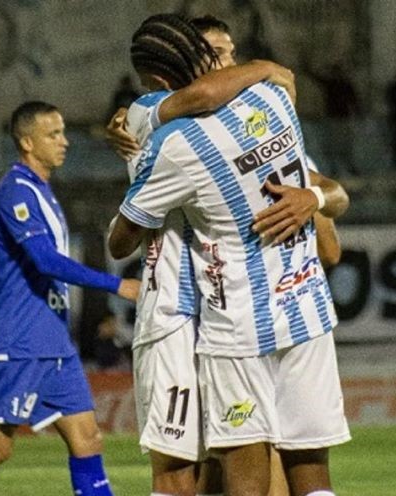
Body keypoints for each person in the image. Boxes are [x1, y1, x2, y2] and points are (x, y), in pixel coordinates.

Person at [110, 14, 350, 496]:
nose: (226, 65)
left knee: (244, 468)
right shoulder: (271, 96)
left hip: (234, 322)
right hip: (221, 314)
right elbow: (257, 82)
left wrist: (316, 199)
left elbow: (119, 241)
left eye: (232, 56)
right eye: (217, 56)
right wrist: (264, 68)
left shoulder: (174, 139)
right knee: (197, 471)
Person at [0, 101, 139, 496]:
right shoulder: (15, 191)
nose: (64, 142)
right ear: (28, 143)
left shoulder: (41, 191)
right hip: (21, 340)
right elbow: (45, 261)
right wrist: (117, 285)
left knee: (87, 438)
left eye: (63, 132)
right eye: (54, 134)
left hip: (52, 340)